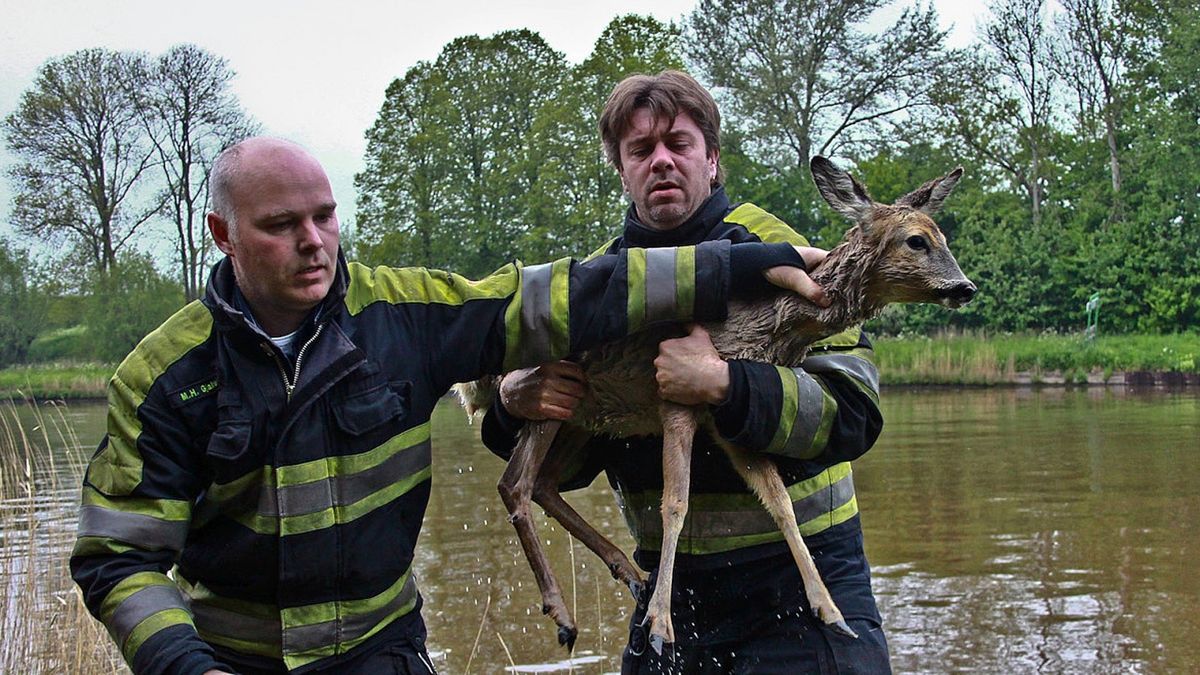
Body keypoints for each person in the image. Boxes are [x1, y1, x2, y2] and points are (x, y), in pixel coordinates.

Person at [68, 136, 826, 675]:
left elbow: (566, 297)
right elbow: (121, 557)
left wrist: (752, 262)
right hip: (232, 657)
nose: (315, 242)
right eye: (281, 225)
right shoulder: (164, 377)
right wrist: (184, 665)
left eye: (326, 217)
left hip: (383, 653)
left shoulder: (404, 315)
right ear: (222, 234)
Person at [481, 71, 892, 674]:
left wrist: (727, 386)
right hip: (669, 592)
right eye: (641, 150)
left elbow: (853, 412)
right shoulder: (598, 285)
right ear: (621, 170)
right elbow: (570, 466)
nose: (662, 162)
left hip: (802, 590)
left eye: (679, 143)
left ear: (713, 159)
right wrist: (513, 405)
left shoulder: (783, 251)